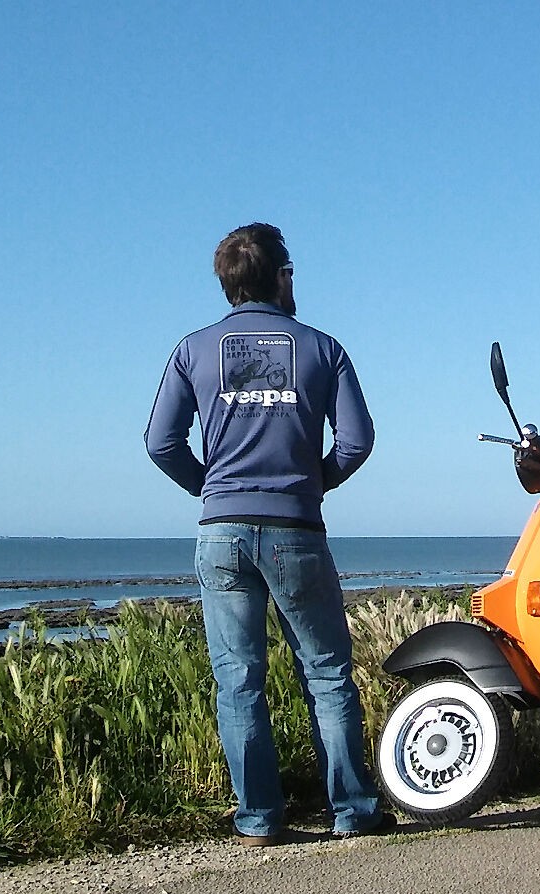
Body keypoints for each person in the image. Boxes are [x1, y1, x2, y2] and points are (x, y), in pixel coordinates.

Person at [145, 223, 389, 846]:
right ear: (282, 277)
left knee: (238, 680)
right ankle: (351, 810)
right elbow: (357, 441)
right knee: (327, 674)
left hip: (221, 533)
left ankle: (259, 818)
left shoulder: (193, 349)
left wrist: (211, 487)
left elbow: (160, 443)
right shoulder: (323, 348)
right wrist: (310, 485)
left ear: (227, 282)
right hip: (296, 530)